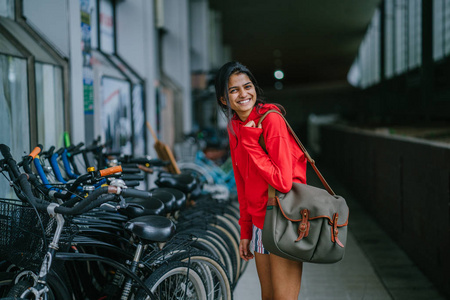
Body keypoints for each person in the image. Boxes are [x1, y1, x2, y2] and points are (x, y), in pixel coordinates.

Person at [215, 61, 307, 299]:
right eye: (234, 90)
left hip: (284, 219)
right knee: (268, 296)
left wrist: (250, 142)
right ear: (224, 99)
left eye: (247, 86)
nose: (243, 94)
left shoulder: (270, 120)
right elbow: (242, 183)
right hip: (259, 224)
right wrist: (245, 231)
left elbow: (282, 182)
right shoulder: (234, 126)